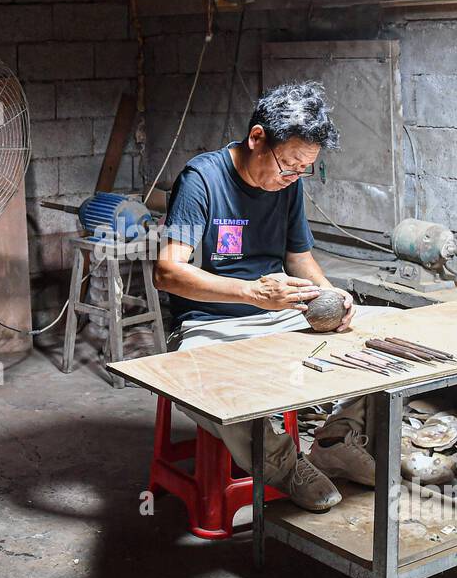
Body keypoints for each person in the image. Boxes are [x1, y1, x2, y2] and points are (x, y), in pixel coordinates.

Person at [154, 81, 381, 513]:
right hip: (209, 325)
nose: (293, 177)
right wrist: (251, 292)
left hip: (279, 314)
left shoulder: (288, 185)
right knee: (212, 388)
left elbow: (300, 258)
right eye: (288, 165)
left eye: (304, 169)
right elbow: (166, 272)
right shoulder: (201, 178)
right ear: (257, 138)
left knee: (377, 338)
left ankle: (335, 440)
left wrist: (330, 294)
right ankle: (283, 466)